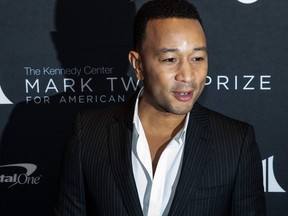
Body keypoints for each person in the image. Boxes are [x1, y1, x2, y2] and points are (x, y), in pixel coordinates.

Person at [55, 0, 266, 215]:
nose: (187, 75)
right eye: (170, 59)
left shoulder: (235, 142)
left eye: (197, 58)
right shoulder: (88, 133)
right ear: (138, 65)